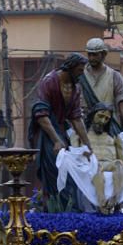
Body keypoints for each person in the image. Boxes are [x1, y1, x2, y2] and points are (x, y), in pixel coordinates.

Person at [29, 53, 93, 210]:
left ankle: (68, 211)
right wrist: (56, 139)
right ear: (70, 68)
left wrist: (88, 144)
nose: (81, 74)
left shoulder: (75, 88)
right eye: (79, 70)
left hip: (62, 135)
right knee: (56, 175)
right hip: (48, 135)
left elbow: (76, 118)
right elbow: (41, 115)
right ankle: (55, 211)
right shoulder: (49, 82)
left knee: (69, 177)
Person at [80, 38, 123, 137]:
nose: (91, 58)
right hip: (85, 127)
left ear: (104, 54)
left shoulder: (115, 76)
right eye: (89, 54)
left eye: (95, 54)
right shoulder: (80, 75)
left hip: (109, 127)